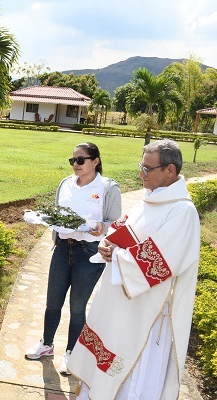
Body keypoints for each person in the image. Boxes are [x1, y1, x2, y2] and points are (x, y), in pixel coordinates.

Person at [69, 140, 201, 399]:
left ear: (170, 170)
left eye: (147, 168)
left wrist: (118, 256)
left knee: (133, 378)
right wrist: (108, 243)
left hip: (148, 314)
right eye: (141, 166)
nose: (141, 173)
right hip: (122, 304)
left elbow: (159, 262)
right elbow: (123, 226)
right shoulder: (150, 199)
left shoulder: (183, 212)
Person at [25, 142, 122, 376]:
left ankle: (72, 353)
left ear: (95, 161)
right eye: (73, 160)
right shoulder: (66, 184)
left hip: (88, 253)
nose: (75, 165)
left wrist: (102, 227)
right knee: (52, 302)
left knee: (78, 307)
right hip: (62, 250)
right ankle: (47, 345)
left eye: (80, 160)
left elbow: (115, 223)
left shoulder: (108, 188)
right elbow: (58, 215)